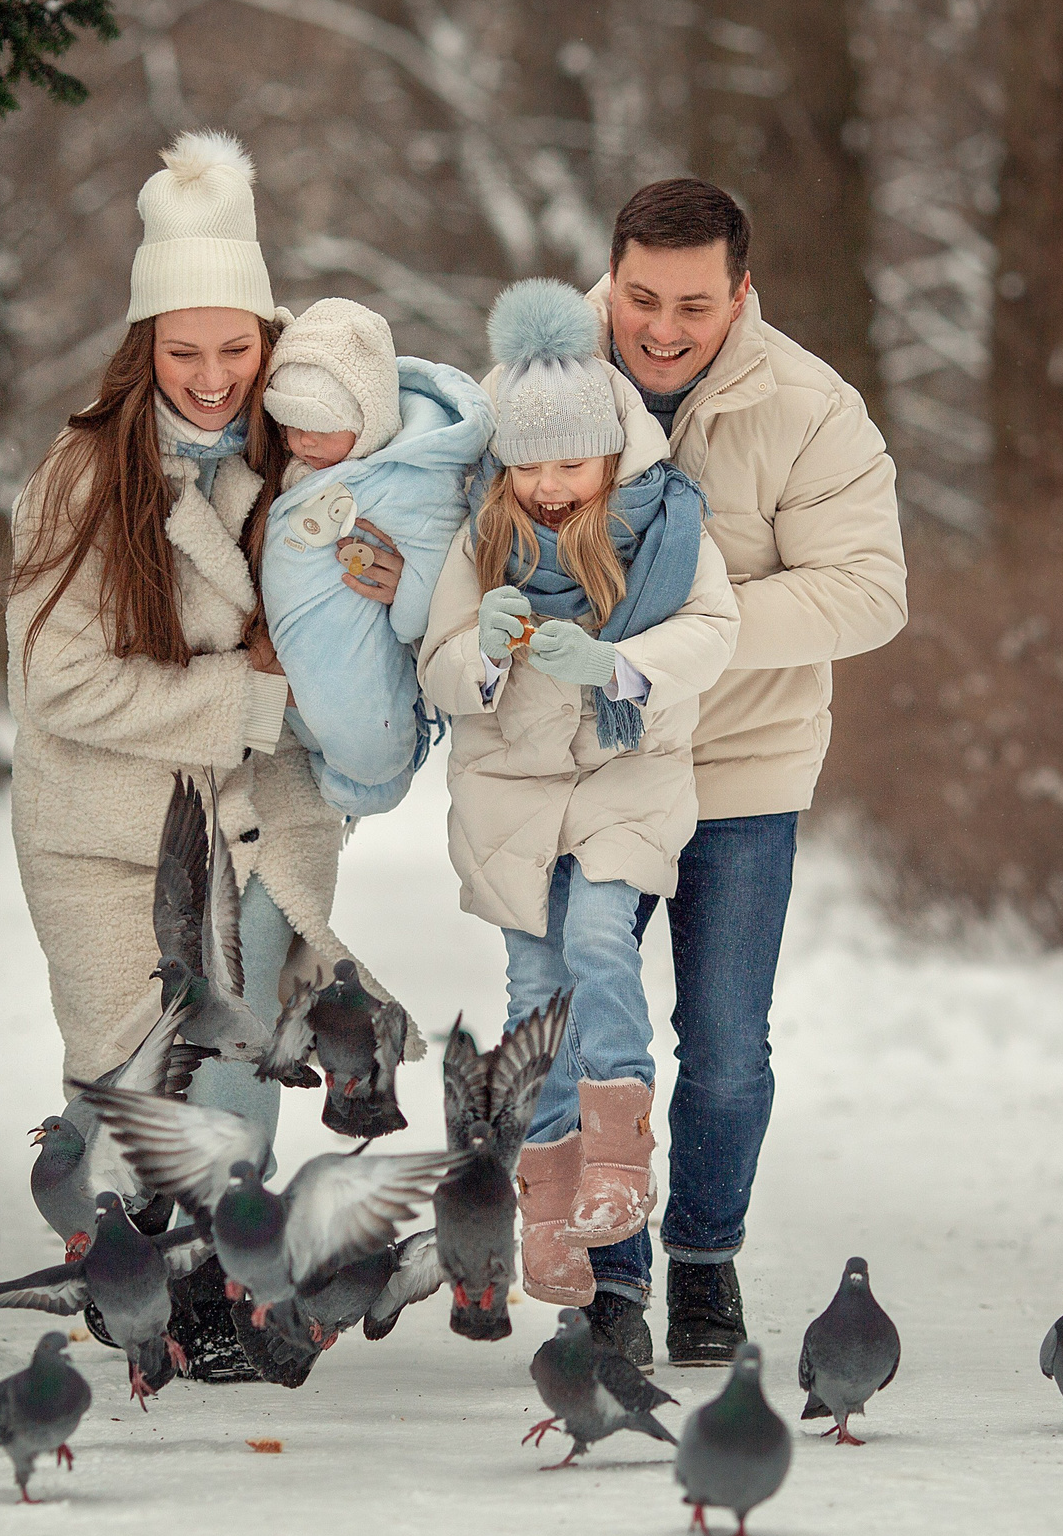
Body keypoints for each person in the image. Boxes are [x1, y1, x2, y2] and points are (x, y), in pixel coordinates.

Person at [4, 131, 411, 1380]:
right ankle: (122, 1257)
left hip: (261, 826)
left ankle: (207, 1300)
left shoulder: (302, 459)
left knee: (233, 1074)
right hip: (107, 834)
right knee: (116, 1098)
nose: (214, 378)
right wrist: (239, 692)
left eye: (238, 349)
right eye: (184, 352)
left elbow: (363, 624)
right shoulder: (84, 478)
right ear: (144, 349)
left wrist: (390, 593)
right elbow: (55, 679)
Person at [573, 178, 909, 1367]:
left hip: (743, 766)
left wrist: (681, 631)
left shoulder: (811, 407)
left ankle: (703, 1265)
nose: (661, 329)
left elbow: (869, 592)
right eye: (641, 298)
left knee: (722, 1049)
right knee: (590, 1032)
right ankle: (608, 1279)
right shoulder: (547, 387)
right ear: (609, 279)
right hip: (596, 765)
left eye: (694, 306)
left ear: (742, 296)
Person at [417, 279, 739, 1361]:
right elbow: (439, 674)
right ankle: (546, 1206)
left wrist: (619, 664)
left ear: (610, 454)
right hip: (511, 800)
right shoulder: (482, 538)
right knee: (533, 990)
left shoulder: (665, 528)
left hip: (622, 780)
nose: (550, 486)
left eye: (570, 462)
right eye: (531, 464)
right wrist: (485, 652)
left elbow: (714, 632)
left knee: (600, 939)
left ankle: (616, 1162)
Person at [258, 297, 495, 816]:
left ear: (369, 417)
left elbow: (430, 575)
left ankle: (369, 776)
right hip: (281, 679)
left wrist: (407, 600)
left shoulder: (417, 475)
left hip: (352, 645)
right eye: (289, 424)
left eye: (320, 424)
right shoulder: (304, 458)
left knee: (359, 728)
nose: (302, 441)